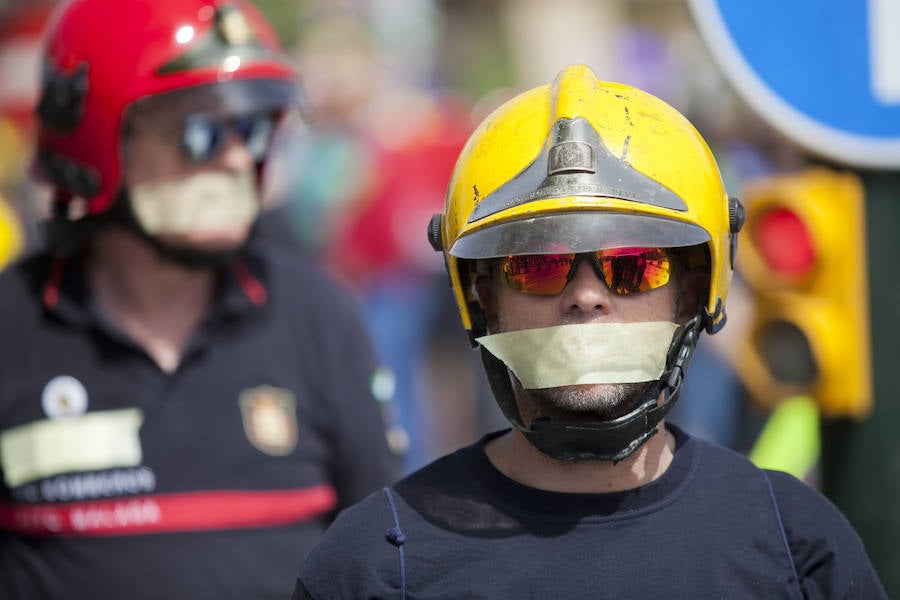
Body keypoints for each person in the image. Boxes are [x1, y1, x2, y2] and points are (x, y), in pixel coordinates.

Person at [292, 65, 887, 599]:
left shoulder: (798, 547)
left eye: (634, 265)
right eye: (536, 264)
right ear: (482, 297)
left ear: (691, 290)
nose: (586, 295)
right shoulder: (372, 566)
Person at [0, 1, 400, 598]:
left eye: (254, 128)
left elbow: (386, 557)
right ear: (96, 136)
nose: (238, 157)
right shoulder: (13, 325)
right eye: (202, 131)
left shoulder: (317, 313)